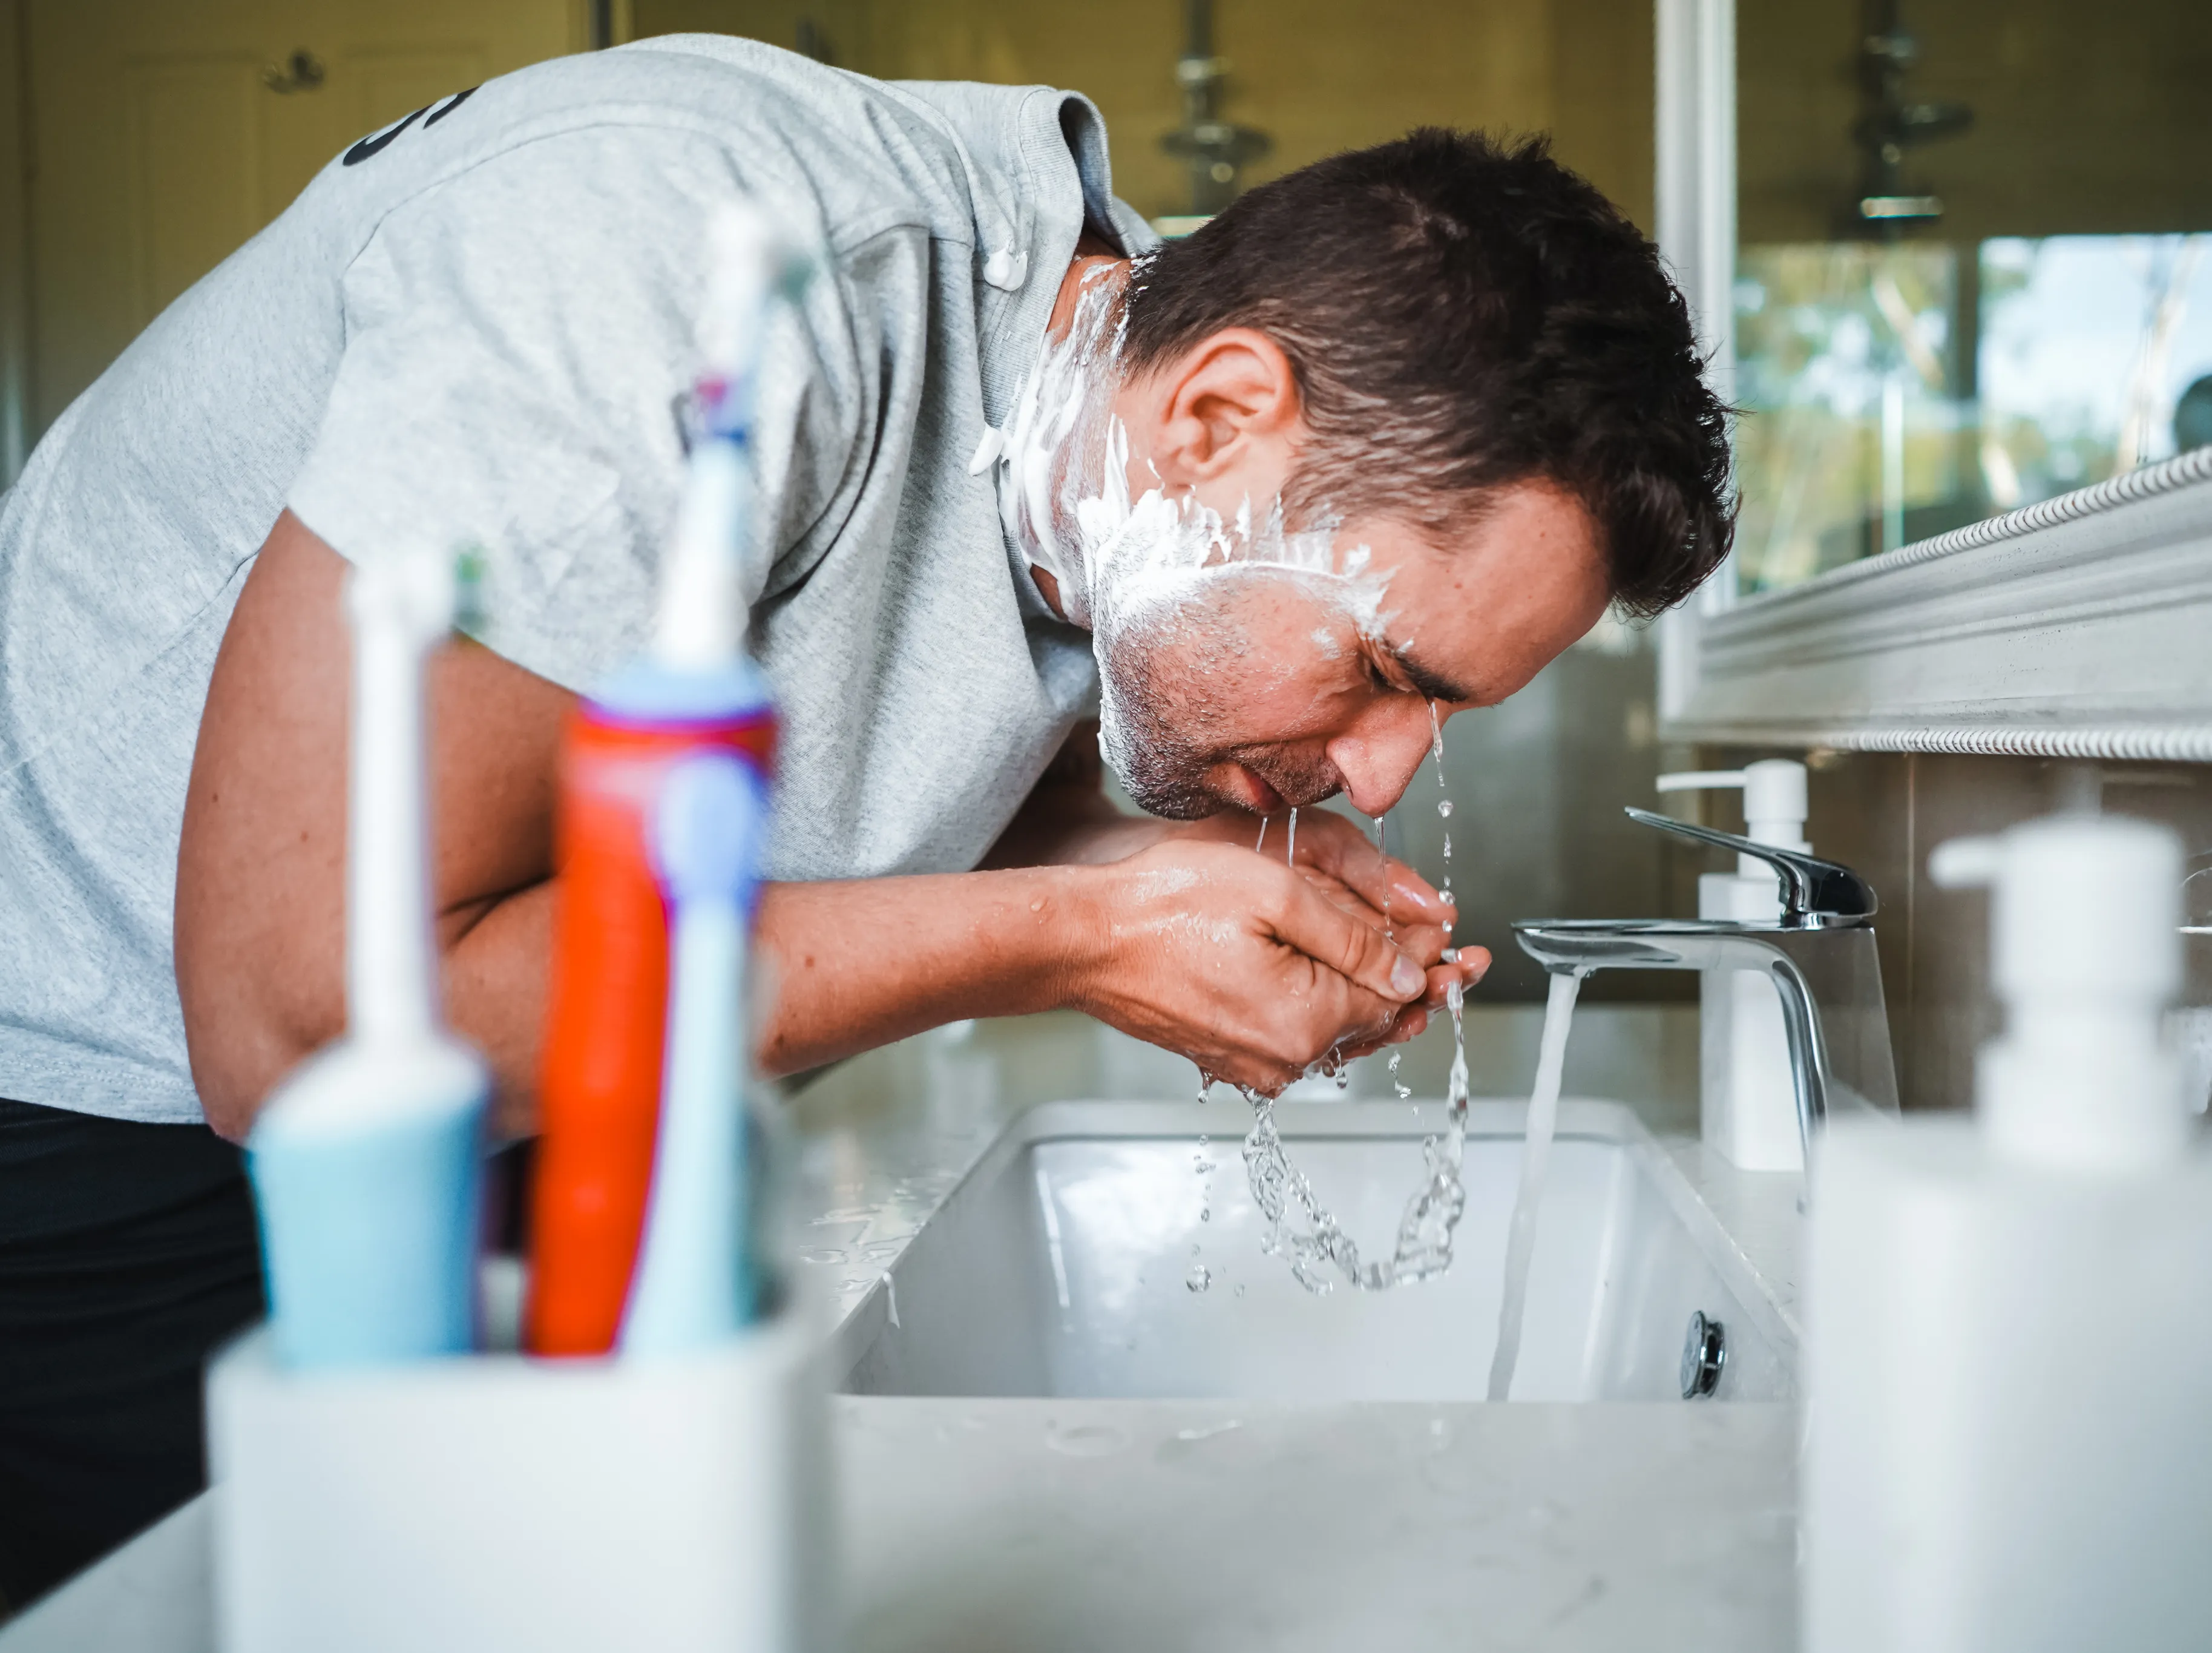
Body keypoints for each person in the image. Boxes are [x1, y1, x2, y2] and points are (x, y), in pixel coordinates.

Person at [0, 33, 1730, 1604]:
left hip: (561, 1134)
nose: (1383, 774)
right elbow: (315, 1032)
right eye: (1375, 667)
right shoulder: (678, 262)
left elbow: (800, 790)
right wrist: (1079, 935)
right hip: (91, 1138)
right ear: (1217, 418)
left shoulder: (1092, 452)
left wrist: (1156, 865)